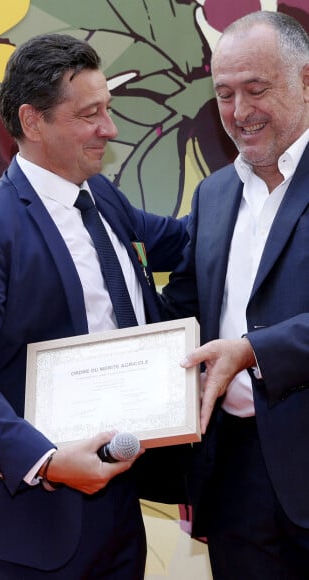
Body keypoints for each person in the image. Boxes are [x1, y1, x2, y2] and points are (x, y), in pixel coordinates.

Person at [0, 33, 188, 579]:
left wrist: (261, 191)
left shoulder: (103, 197)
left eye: (107, 111)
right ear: (33, 120)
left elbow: (186, 243)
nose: (109, 131)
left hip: (121, 506)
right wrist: (45, 461)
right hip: (35, 524)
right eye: (90, 115)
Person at [161, 10, 309, 580]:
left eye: (256, 89)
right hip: (233, 476)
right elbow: (185, 308)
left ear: (305, 80)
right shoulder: (214, 194)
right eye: (225, 94)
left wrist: (251, 351)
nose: (240, 112)